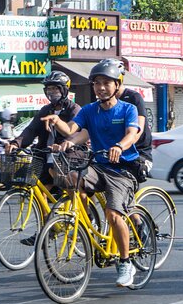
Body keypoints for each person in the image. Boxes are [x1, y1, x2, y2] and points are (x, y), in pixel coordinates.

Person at [43, 59, 141, 288]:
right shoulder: (89, 110)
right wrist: (64, 138)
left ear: (117, 85)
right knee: (69, 177)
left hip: (122, 170)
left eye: (106, 82)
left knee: (113, 214)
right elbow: (75, 132)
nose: (100, 87)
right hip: (98, 167)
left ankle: (125, 262)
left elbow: (131, 133)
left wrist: (119, 146)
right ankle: (85, 222)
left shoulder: (128, 108)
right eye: (97, 83)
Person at [12, 71, 81, 188]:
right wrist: (16, 143)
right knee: (40, 190)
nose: (51, 92)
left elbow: (74, 132)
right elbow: (31, 129)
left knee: (71, 188)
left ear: (64, 90)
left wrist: (64, 145)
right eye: (49, 89)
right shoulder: (45, 110)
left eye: (55, 89)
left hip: (68, 156)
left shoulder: (74, 109)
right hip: (46, 155)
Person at [101, 58, 153, 182]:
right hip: (111, 152)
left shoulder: (133, 98)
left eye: (107, 81)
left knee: (122, 187)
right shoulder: (102, 101)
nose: (102, 87)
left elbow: (136, 132)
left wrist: (122, 146)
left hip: (137, 153)